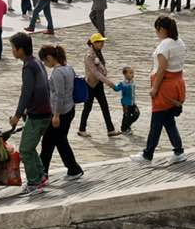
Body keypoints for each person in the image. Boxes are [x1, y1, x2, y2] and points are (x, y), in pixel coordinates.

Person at [134, 16, 187, 165]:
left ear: (162, 29)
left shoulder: (165, 45)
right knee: (169, 121)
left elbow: (162, 69)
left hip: (165, 86)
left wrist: (154, 88)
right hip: (177, 84)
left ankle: (147, 155)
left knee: (156, 122)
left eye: (157, 31)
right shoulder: (180, 42)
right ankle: (178, 151)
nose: (156, 34)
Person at [8, 32, 52, 194]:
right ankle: (41, 176)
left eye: (13, 48)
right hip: (46, 112)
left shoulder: (28, 66)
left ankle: (33, 183)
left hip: (37, 115)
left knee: (25, 150)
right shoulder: (37, 62)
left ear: (20, 50)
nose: (12, 51)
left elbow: (26, 93)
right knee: (31, 147)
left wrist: (17, 116)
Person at [38, 44, 83, 180]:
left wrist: (56, 115)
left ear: (50, 58)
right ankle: (47, 170)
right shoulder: (68, 68)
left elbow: (59, 95)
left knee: (50, 142)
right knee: (56, 141)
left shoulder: (57, 72)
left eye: (45, 61)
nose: (45, 64)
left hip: (60, 112)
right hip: (69, 109)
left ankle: (71, 169)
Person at [77, 33, 120, 138]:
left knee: (105, 106)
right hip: (90, 84)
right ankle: (81, 129)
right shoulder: (89, 56)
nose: (102, 44)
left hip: (98, 84)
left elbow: (101, 69)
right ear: (93, 43)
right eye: (99, 42)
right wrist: (109, 83)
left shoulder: (98, 53)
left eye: (102, 42)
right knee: (88, 107)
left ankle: (110, 130)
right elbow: (95, 73)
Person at [112, 66, 139, 134]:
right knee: (126, 116)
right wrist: (111, 85)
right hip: (125, 103)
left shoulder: (133, 82)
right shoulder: (122, 83)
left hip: (133, 102)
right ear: (125, 74)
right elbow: (116, 89)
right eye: (130, 73)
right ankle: (125, 129)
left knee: (137, 114)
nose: (132, 74)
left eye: (132, 73)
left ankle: (125, 126)